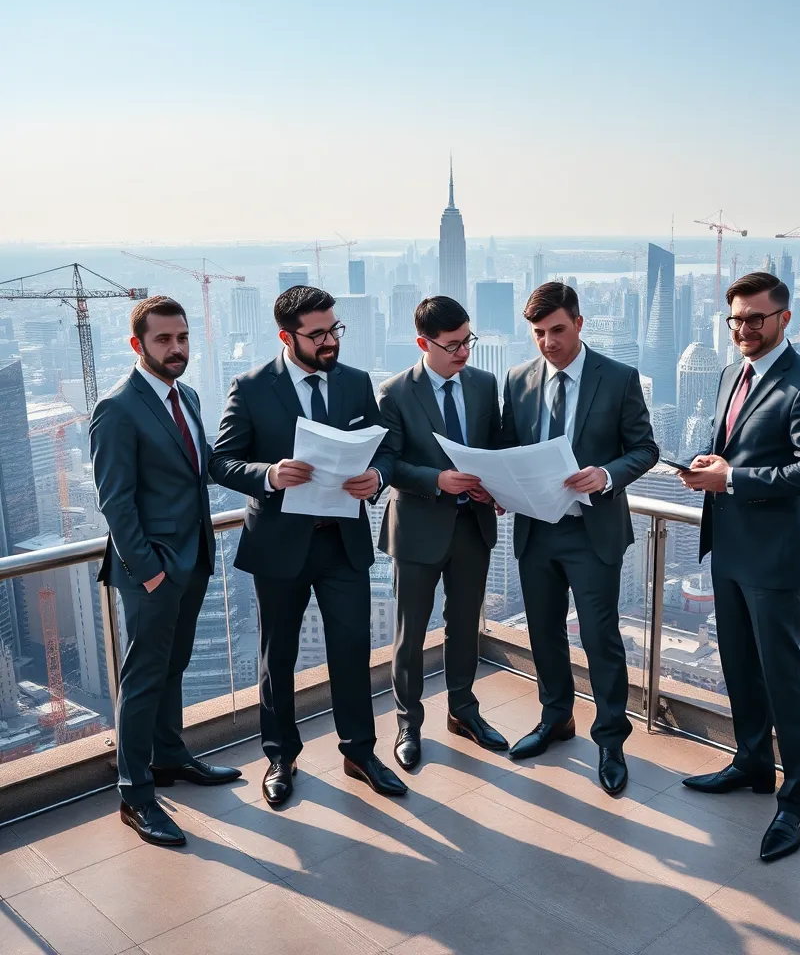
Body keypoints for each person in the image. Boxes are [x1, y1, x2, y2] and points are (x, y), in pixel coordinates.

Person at [210, 285, 405, 807]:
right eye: (317, 334)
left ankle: (360, 753)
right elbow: (222, 461)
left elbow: (385, 443)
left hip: (342, 542)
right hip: (280, 544)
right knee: (279, 656)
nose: (329, 341)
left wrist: (377, 476)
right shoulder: (250, 387)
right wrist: (270, 474)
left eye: (334, 330)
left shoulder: (356, 382)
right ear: (286, 336)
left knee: (351, 651)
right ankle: (280, 756)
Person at [675, 271, 800, 863]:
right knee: (739, 665)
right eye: (735, 319)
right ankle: (751, 764)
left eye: (755, 319)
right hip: (729, 546)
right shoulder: (729, 375)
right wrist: (713, 466)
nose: (743, 329)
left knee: (784, 678)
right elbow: (737, 450)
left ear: (784, 320)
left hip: (772, 557)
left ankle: (795, 804)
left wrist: (733, 478)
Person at [90, 296, 241, 847]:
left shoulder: (189, 396)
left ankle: (171, 757)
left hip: (193, 558)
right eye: (163, 340)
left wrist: (272, 473)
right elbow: (116, 502)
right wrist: (149, 570)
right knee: (144, 677)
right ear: (138, 345)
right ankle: (135, 793)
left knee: (173, 665)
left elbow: (203, 467)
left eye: (181, 338)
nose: (176, 349)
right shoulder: (117, 408)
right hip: (152, 569)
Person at [501, 281, 659, 794]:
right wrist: (502, 487)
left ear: (580, 324)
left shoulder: (617, 377)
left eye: (558, 330)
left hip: (593, 532)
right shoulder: (518, 380)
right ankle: (556, 720)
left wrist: (606, 475)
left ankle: (610, 740)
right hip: (536, 531)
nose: (548, 342)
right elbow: (510, 450)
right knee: (543, 634)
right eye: (539, 333)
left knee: (600, 639)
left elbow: (645, 449)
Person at [377, 296, 507, 769]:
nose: (463, 352)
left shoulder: (483, 384)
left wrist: (492, 488)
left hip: (472, 524)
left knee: (464, 627)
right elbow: (387, 464)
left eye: (467, 341)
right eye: (452, 345)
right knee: (410, 634)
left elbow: (494, 447)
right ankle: (408, 724)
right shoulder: (393, 393)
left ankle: (463, 712)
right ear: (422, 343)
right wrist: (436, 480)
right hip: (417, 529)